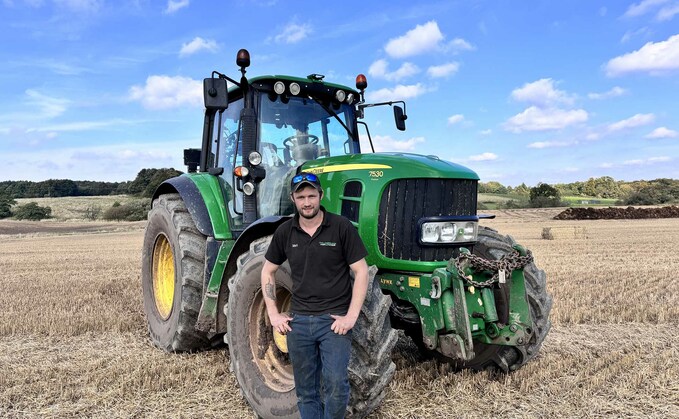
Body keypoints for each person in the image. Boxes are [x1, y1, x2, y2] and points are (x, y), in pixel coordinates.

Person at [261, 172, 369, 419]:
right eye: (301, 197)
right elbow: (268, 271)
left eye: (311, 195)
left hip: (333, 322)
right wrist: (274, 314)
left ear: (321, 195)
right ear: (293, 199)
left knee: (336, 385)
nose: (307, 202)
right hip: (299, 323)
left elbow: (361, 271)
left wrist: (351, 317)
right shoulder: (285, 232)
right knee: (306, 391)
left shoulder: (341, 227)